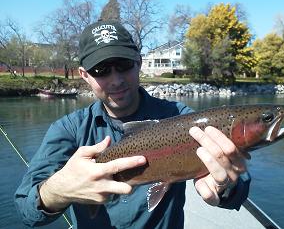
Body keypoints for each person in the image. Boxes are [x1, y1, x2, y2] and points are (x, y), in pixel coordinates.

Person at [14, 20, 251, 229]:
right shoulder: (68, 130)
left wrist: (225, 187)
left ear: (138, 62)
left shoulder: (181, 118)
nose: (116, 80)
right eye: (101, 70)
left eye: (124, 65)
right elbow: (27, 211)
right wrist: (56, 191)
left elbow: (238, 192)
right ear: (84, 75)